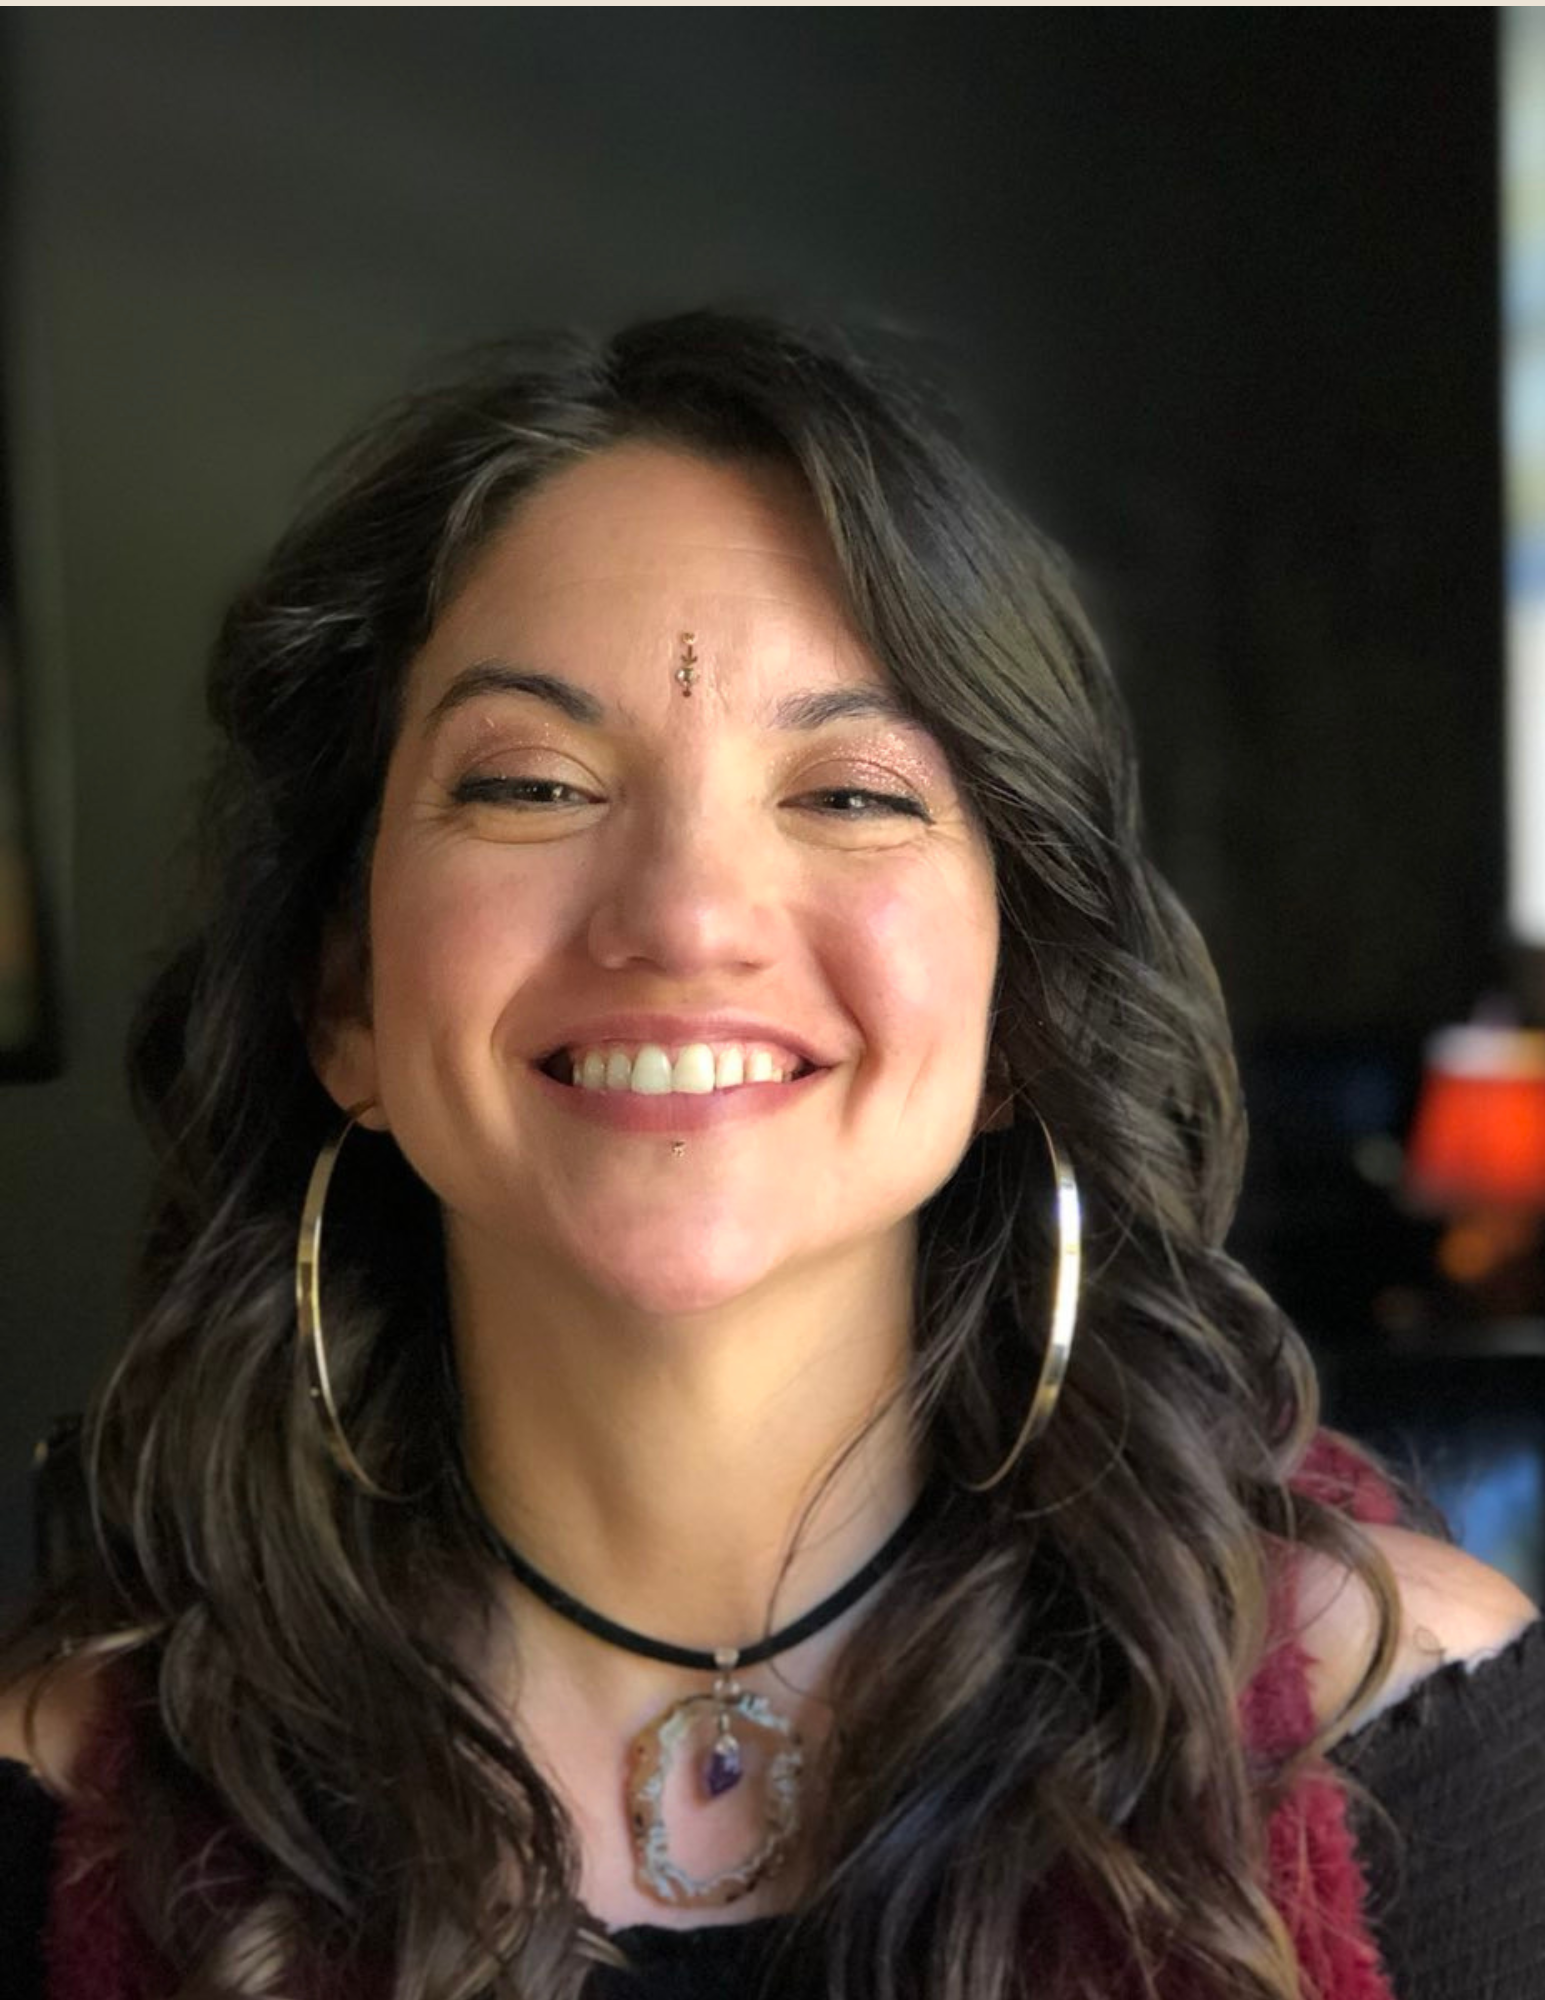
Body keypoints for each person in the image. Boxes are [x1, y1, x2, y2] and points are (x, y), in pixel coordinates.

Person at [1, 306, 1541, 2000]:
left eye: (853, 794)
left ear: (1019, 1006)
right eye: (531, 784)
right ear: (345, 998)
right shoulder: (73, 1801)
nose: (686, 915)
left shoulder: (1399, 1731)